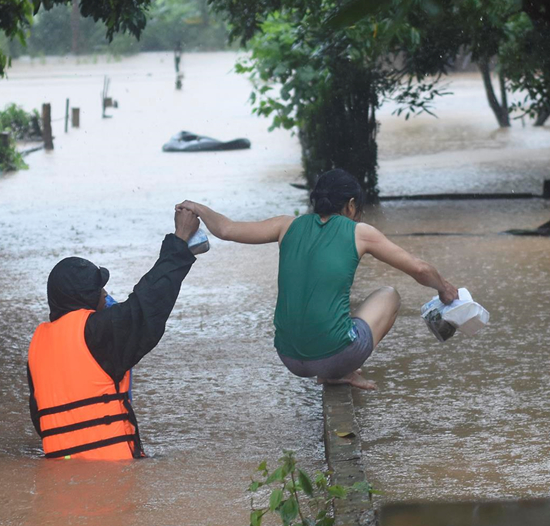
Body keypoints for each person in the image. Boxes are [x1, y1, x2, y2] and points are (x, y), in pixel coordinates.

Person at [177, 168, 458, 391]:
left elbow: (225, 229)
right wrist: (444, 289)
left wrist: (196, 207)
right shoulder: (359, 232)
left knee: (336, 307)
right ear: (350, 205)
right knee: (389, 295)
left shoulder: (286, 225)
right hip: (336, 356)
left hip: (289, 357)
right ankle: (341, 371)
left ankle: (330, 372)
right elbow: (419, 269)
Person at [26, 206, 199, 460]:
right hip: (112, 473)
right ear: (84, 297)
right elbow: (150, 301)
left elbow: (39, 417)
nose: (105, 295)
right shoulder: (97, 333)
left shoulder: (37, 346)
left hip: (60, 474)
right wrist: (180, 239)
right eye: (99, 290)